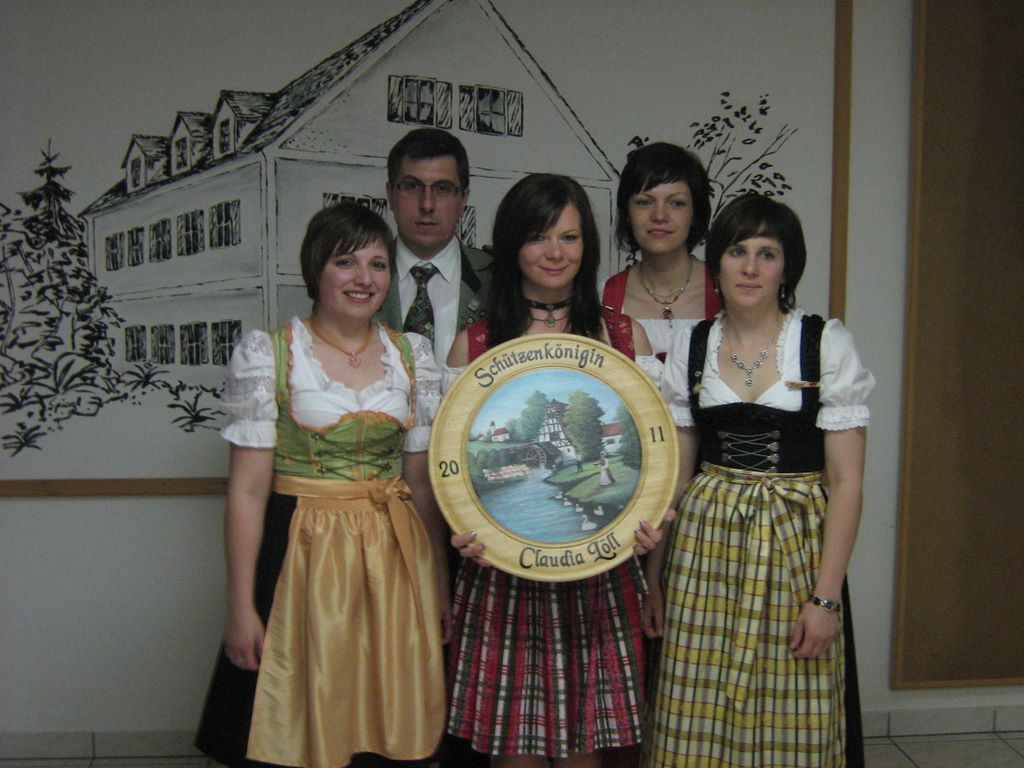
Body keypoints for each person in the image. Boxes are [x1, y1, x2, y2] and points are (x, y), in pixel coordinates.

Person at [195, 202, 449, 768]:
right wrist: (240, 606)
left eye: (378, 264)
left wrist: (438, 581)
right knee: (301, 715)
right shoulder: (270, 354)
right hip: (302, 553)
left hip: (393, 556)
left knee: (387, 717)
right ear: (316, 268)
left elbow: (420, 481)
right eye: (346, 261)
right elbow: (247, 492)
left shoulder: (412, 355)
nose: (364, 278)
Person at [643, 194, 875, 767]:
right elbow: (677, 474)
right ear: (717, 262)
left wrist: (825, 598)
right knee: (697, 710)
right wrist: (653, 579)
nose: (750, 267)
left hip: (794, 553)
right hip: (703, 552)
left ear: (787, 266)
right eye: (737, 251)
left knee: (793, 708)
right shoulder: (694, 345)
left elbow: (846, 481)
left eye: (767, 254)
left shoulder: (824, 343)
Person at [445, 173, 665, 768]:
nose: (555, 252)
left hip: (599, 573)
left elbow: (653, 451)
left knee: (583, 749)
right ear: (511, 244)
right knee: (513, 750)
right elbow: (452, 467)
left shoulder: (625, 337)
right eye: (538, 236)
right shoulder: (476, 344)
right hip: (503, 574)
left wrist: (649, 518)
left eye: (569, 237)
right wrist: (459, 525)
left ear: (587, 245)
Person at [378, 127, 494, 362]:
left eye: (442, 188)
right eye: (412, 186)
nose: (427, 205)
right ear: (390, 194)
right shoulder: (357, 277)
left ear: (463, 199)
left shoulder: (498, 278)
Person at [602, 142, 721, 356]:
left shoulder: (727, 291)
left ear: (695, 213)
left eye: (676, 203)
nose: (659, 216)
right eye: (644, 202)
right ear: (627, 213)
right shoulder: (602, 298)